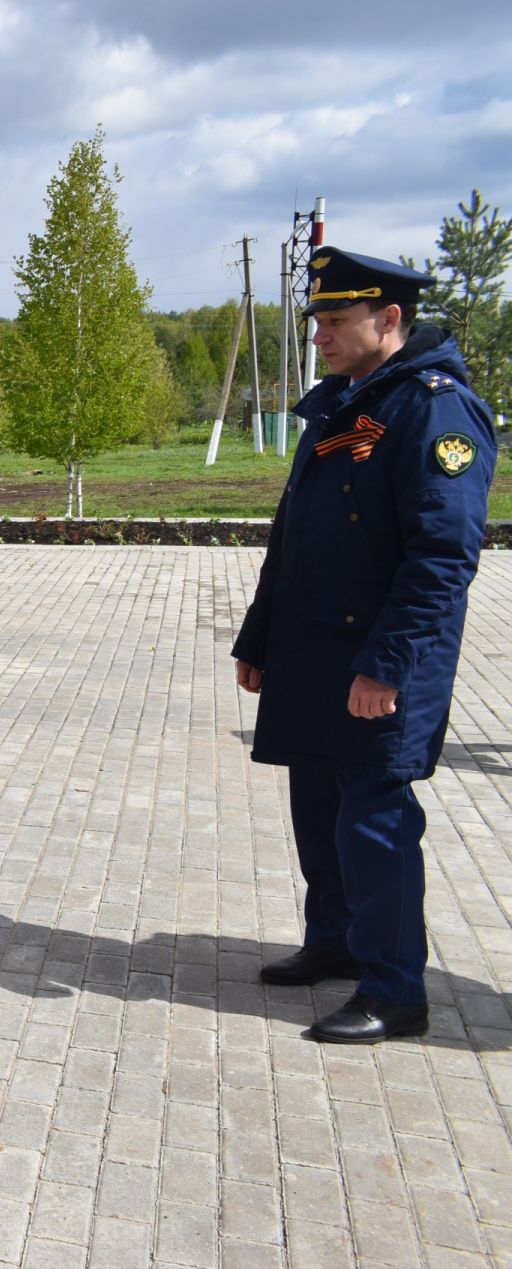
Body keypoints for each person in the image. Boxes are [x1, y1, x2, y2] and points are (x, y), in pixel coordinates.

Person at [233, 245, 497, 1044]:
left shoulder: (434, 409)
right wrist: (261, 635)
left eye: (336, 321)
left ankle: (395, 990)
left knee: (373, 821)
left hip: (379, 664)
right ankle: (337, 942)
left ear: (389, 318)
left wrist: (388, 663)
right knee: (319, 806)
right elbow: (297, 533)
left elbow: (443, 555)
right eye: (316, 322)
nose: (320, 336)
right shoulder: (345, 403)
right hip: (317, 655)